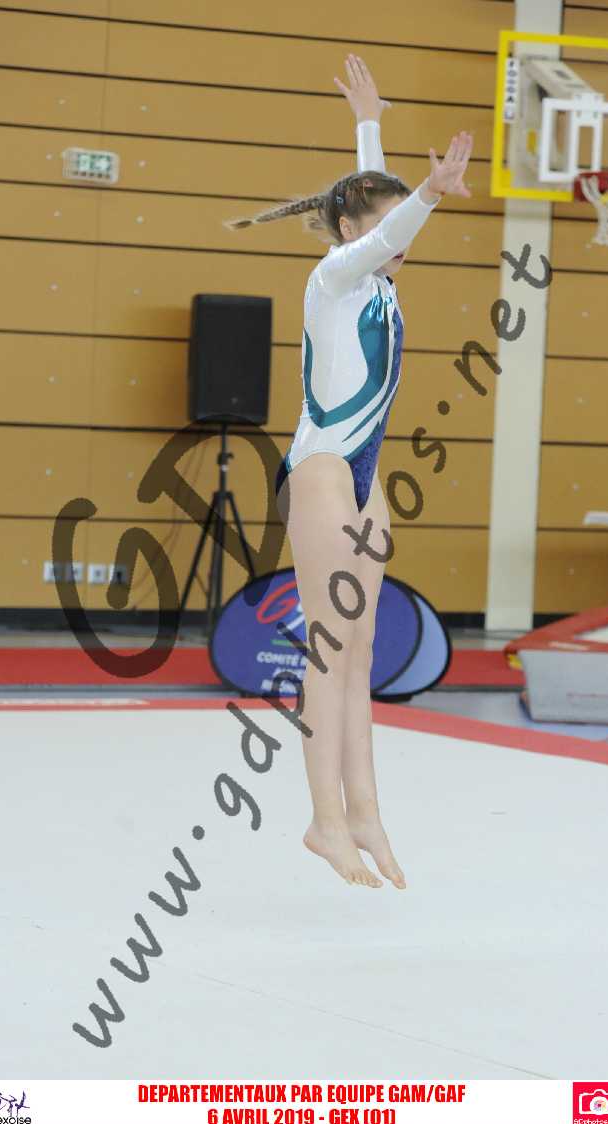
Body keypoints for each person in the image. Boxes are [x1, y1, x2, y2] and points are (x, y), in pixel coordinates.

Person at [225, 56, 472, 888]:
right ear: (349, 235)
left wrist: (369, 123)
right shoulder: (333, 278)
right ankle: (323, 821)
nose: (403, 242)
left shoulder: (379, 284)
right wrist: (428, 192)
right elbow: (379, 231)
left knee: (361, 651)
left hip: (366, 477)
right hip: (324, 469)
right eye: (386, 230)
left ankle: (363, 812)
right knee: (330, 649)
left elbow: (376, 213)